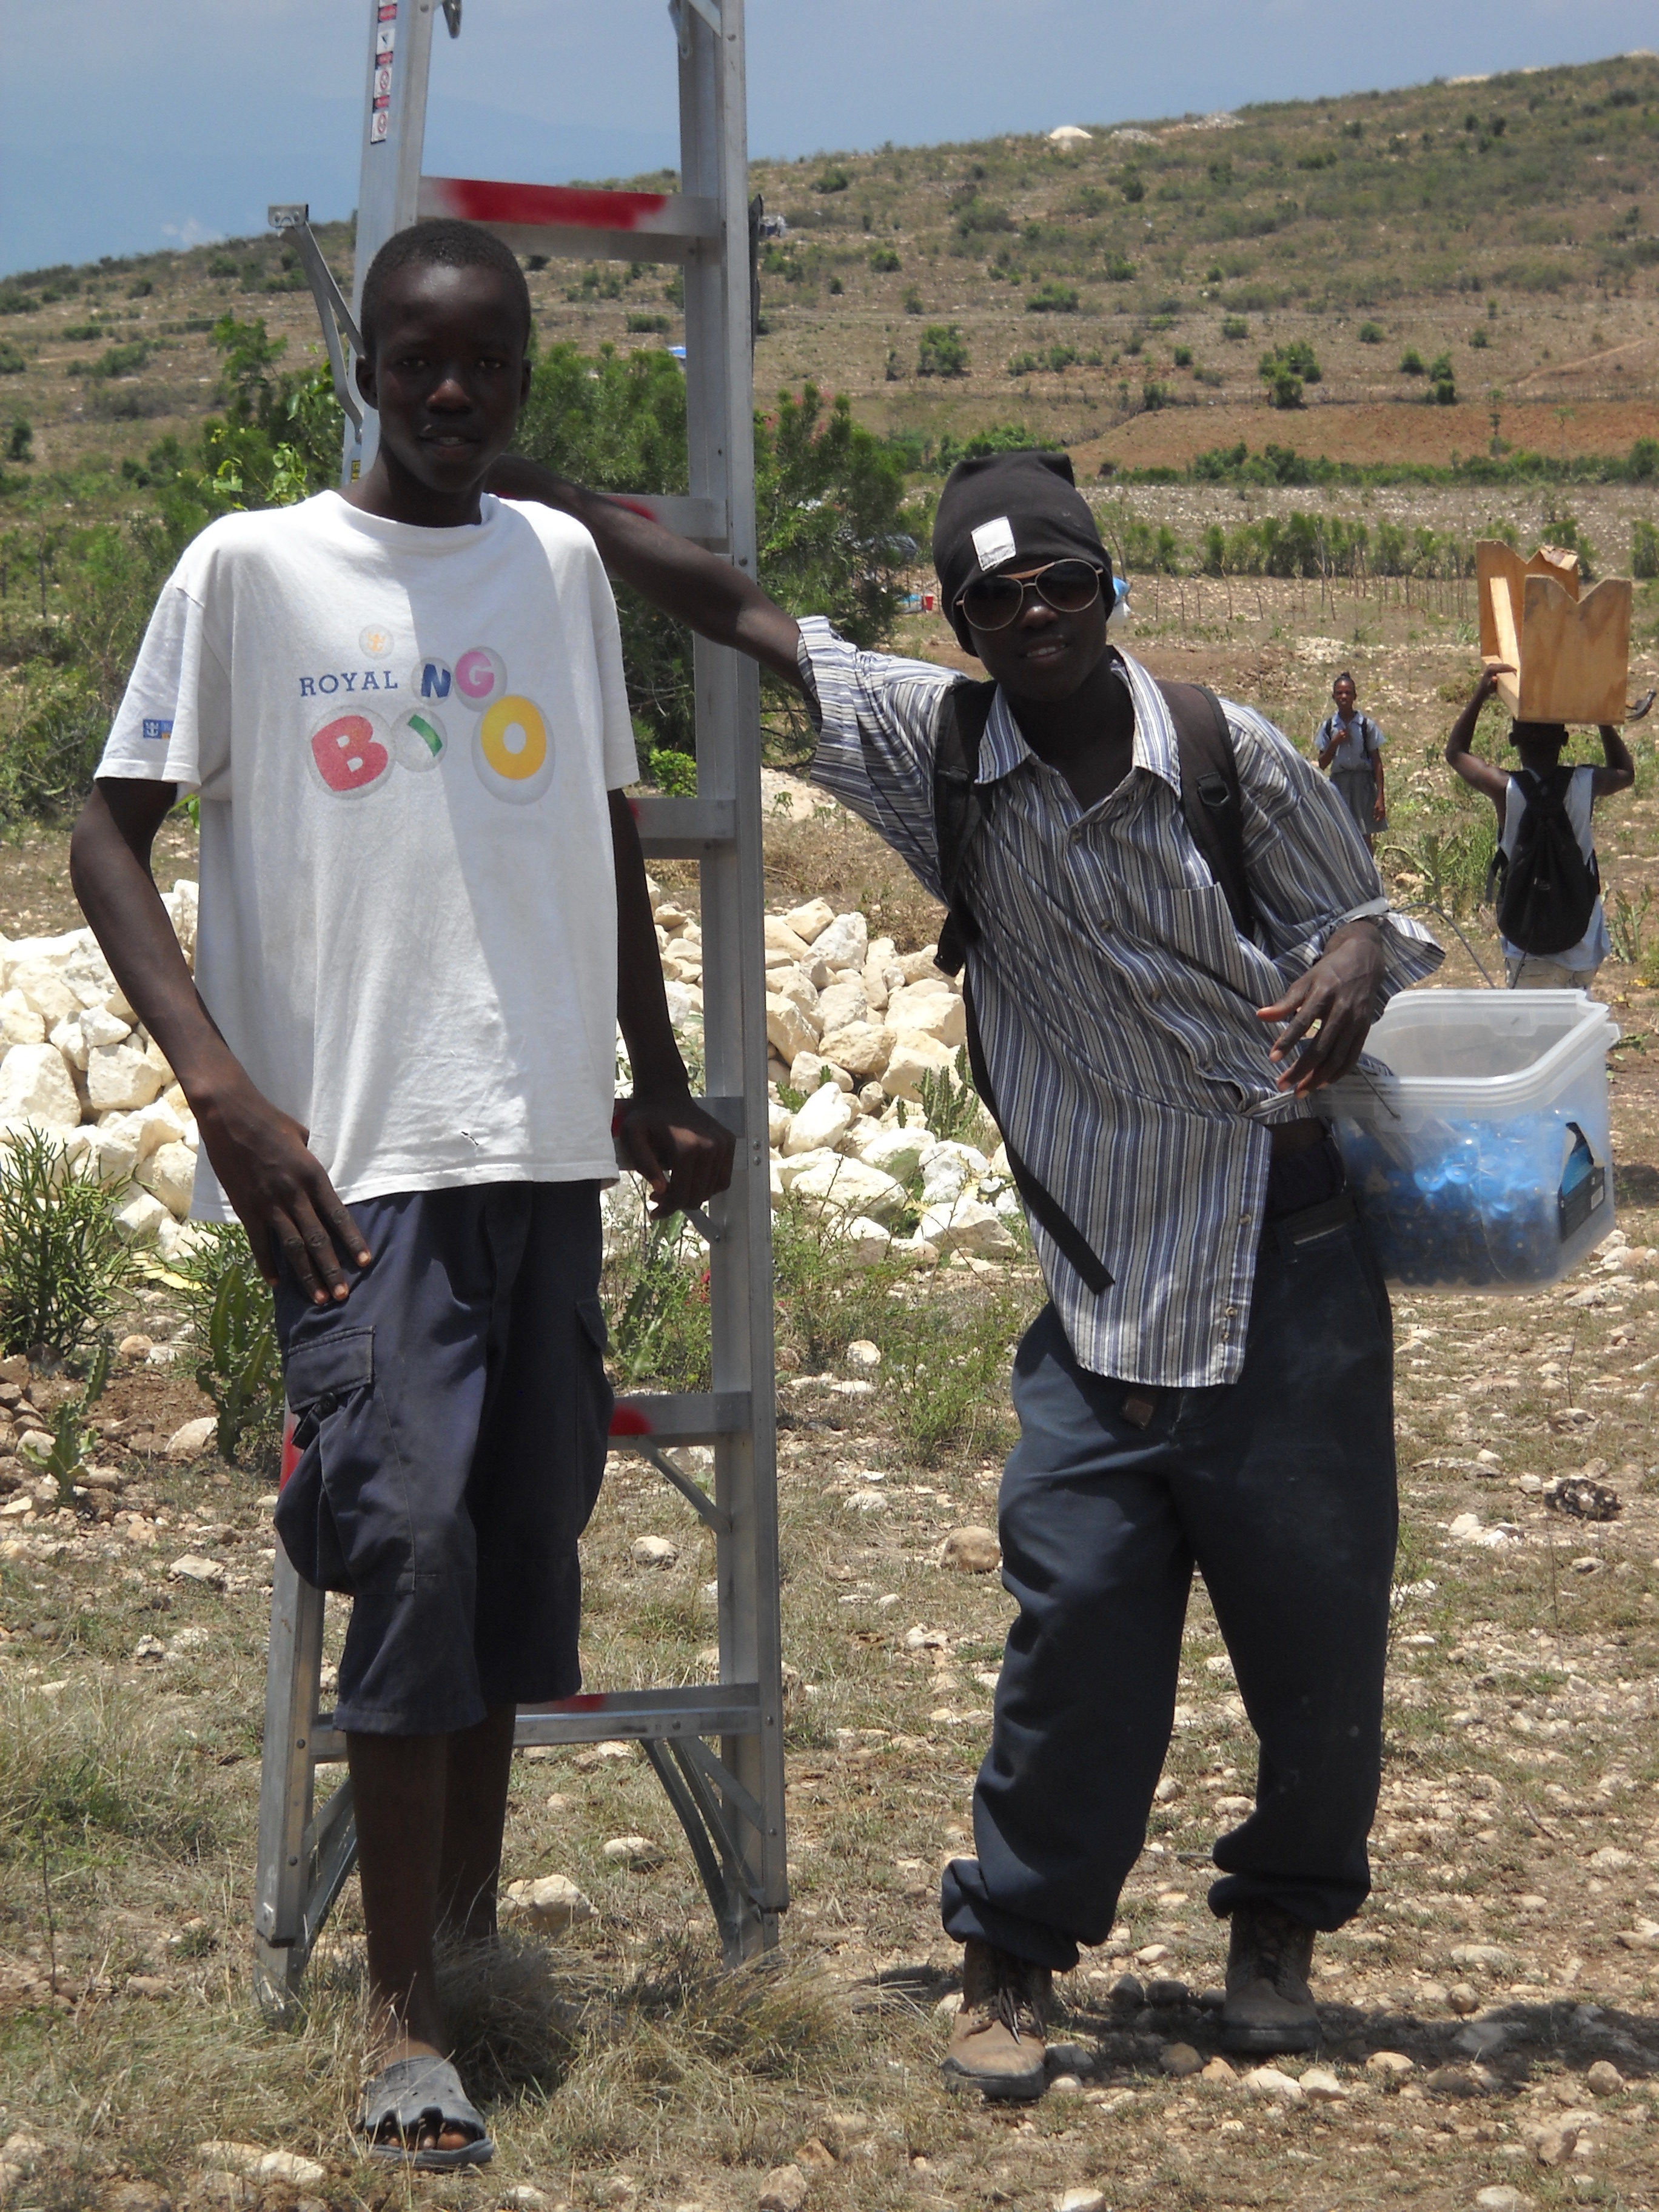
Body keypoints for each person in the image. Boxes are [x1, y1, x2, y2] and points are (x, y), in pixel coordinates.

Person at [487, 443, 1443, 2098]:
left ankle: (1279, 1926)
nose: (1036, 615)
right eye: (996, 599)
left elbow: (1356, 917)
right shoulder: (929, 747)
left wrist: (1359, 954)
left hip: (1283, 1257)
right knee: (1074, 1628)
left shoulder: (1224, 749)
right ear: (959, 623)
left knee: (1316, 1637)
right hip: (1100, 1278)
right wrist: (558, 498)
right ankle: (1008, 1952)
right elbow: (743, 613)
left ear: (1109, 586)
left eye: (1063, 582)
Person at [69, 218, 732, 2166]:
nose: (452, 393)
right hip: (355, 1166)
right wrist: (221, 1092)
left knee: (516, 1545)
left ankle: (462, 1944)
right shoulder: (254, 568)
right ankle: (399, 2027)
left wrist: (655, 1076)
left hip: (540, 1148)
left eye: (488, 363)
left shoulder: (558, 568)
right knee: (416, 1542)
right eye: (418, 359)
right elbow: (105, 833)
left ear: (526, 378)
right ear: (362, 368)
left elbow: (600, 828)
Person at [1445, 664, 1634, 988]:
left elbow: (1456, 753)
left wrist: (1481, 694)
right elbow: (1625, 772)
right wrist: (1600, 716)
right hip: (1582, 944)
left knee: (1531, 1024)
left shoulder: (1505, 789)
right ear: (1565, 740)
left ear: (1513, 740)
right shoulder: (1585, 783)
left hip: (1527, 951)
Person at [1315, 671, 1387, 851]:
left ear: (1355, 696)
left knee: (1364, 834)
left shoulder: (1365, 725)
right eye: (1339, 693)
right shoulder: (1329, 726)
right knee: (1340, 834)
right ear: (1333, 697)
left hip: (1362, 783)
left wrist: (1380, 797)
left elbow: (1377, 762)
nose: (1343, 697)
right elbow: (1322, 763)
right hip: (1339, 783)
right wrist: (1334, 743)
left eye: (1348, 693)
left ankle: (1368, 869)